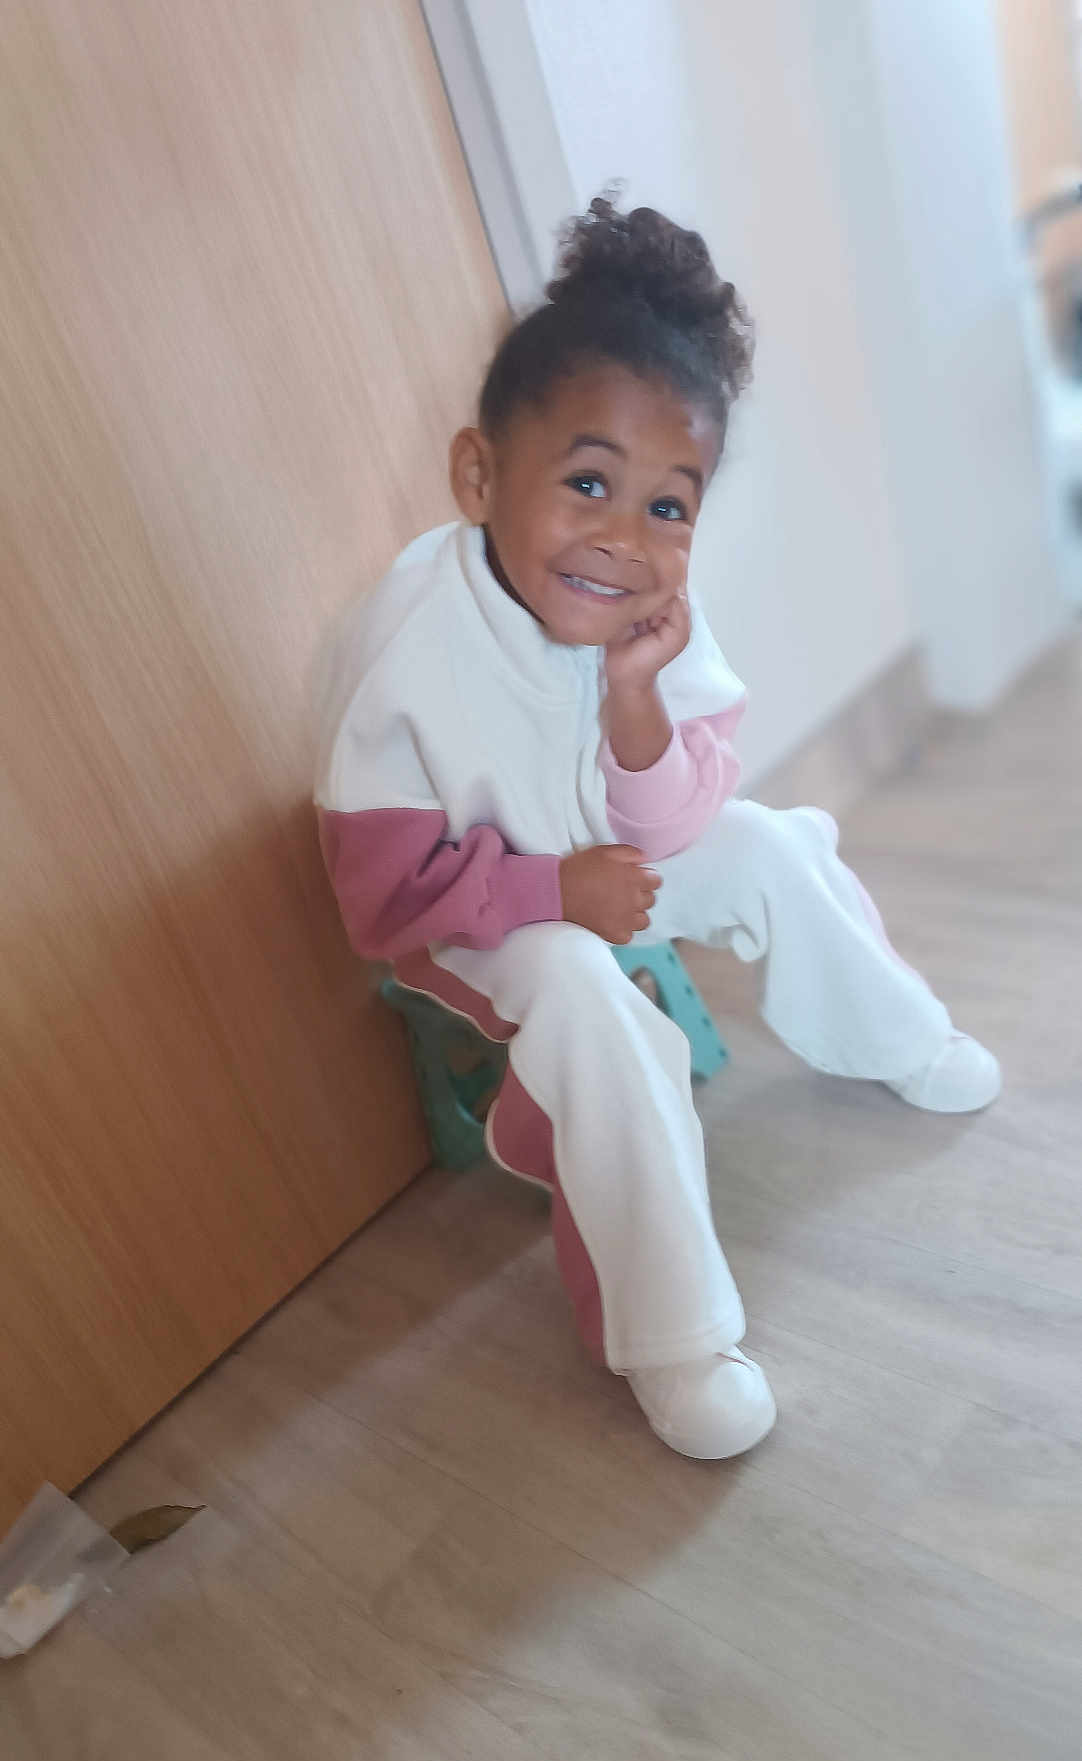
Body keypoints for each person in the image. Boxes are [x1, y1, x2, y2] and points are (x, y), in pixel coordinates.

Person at [314, 197, 1001, 1461]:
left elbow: (678, 817)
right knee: (583, 992)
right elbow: (379, 900)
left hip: (593, 869)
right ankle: (673, 1337)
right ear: (479, 474)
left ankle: (892, 1033)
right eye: (585, 485)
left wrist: (632, 699)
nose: (624, 541)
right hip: (469, 922)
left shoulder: (650, 617)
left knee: (768, 842)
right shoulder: (404, 651)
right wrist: (546, 897)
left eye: (666, 508)